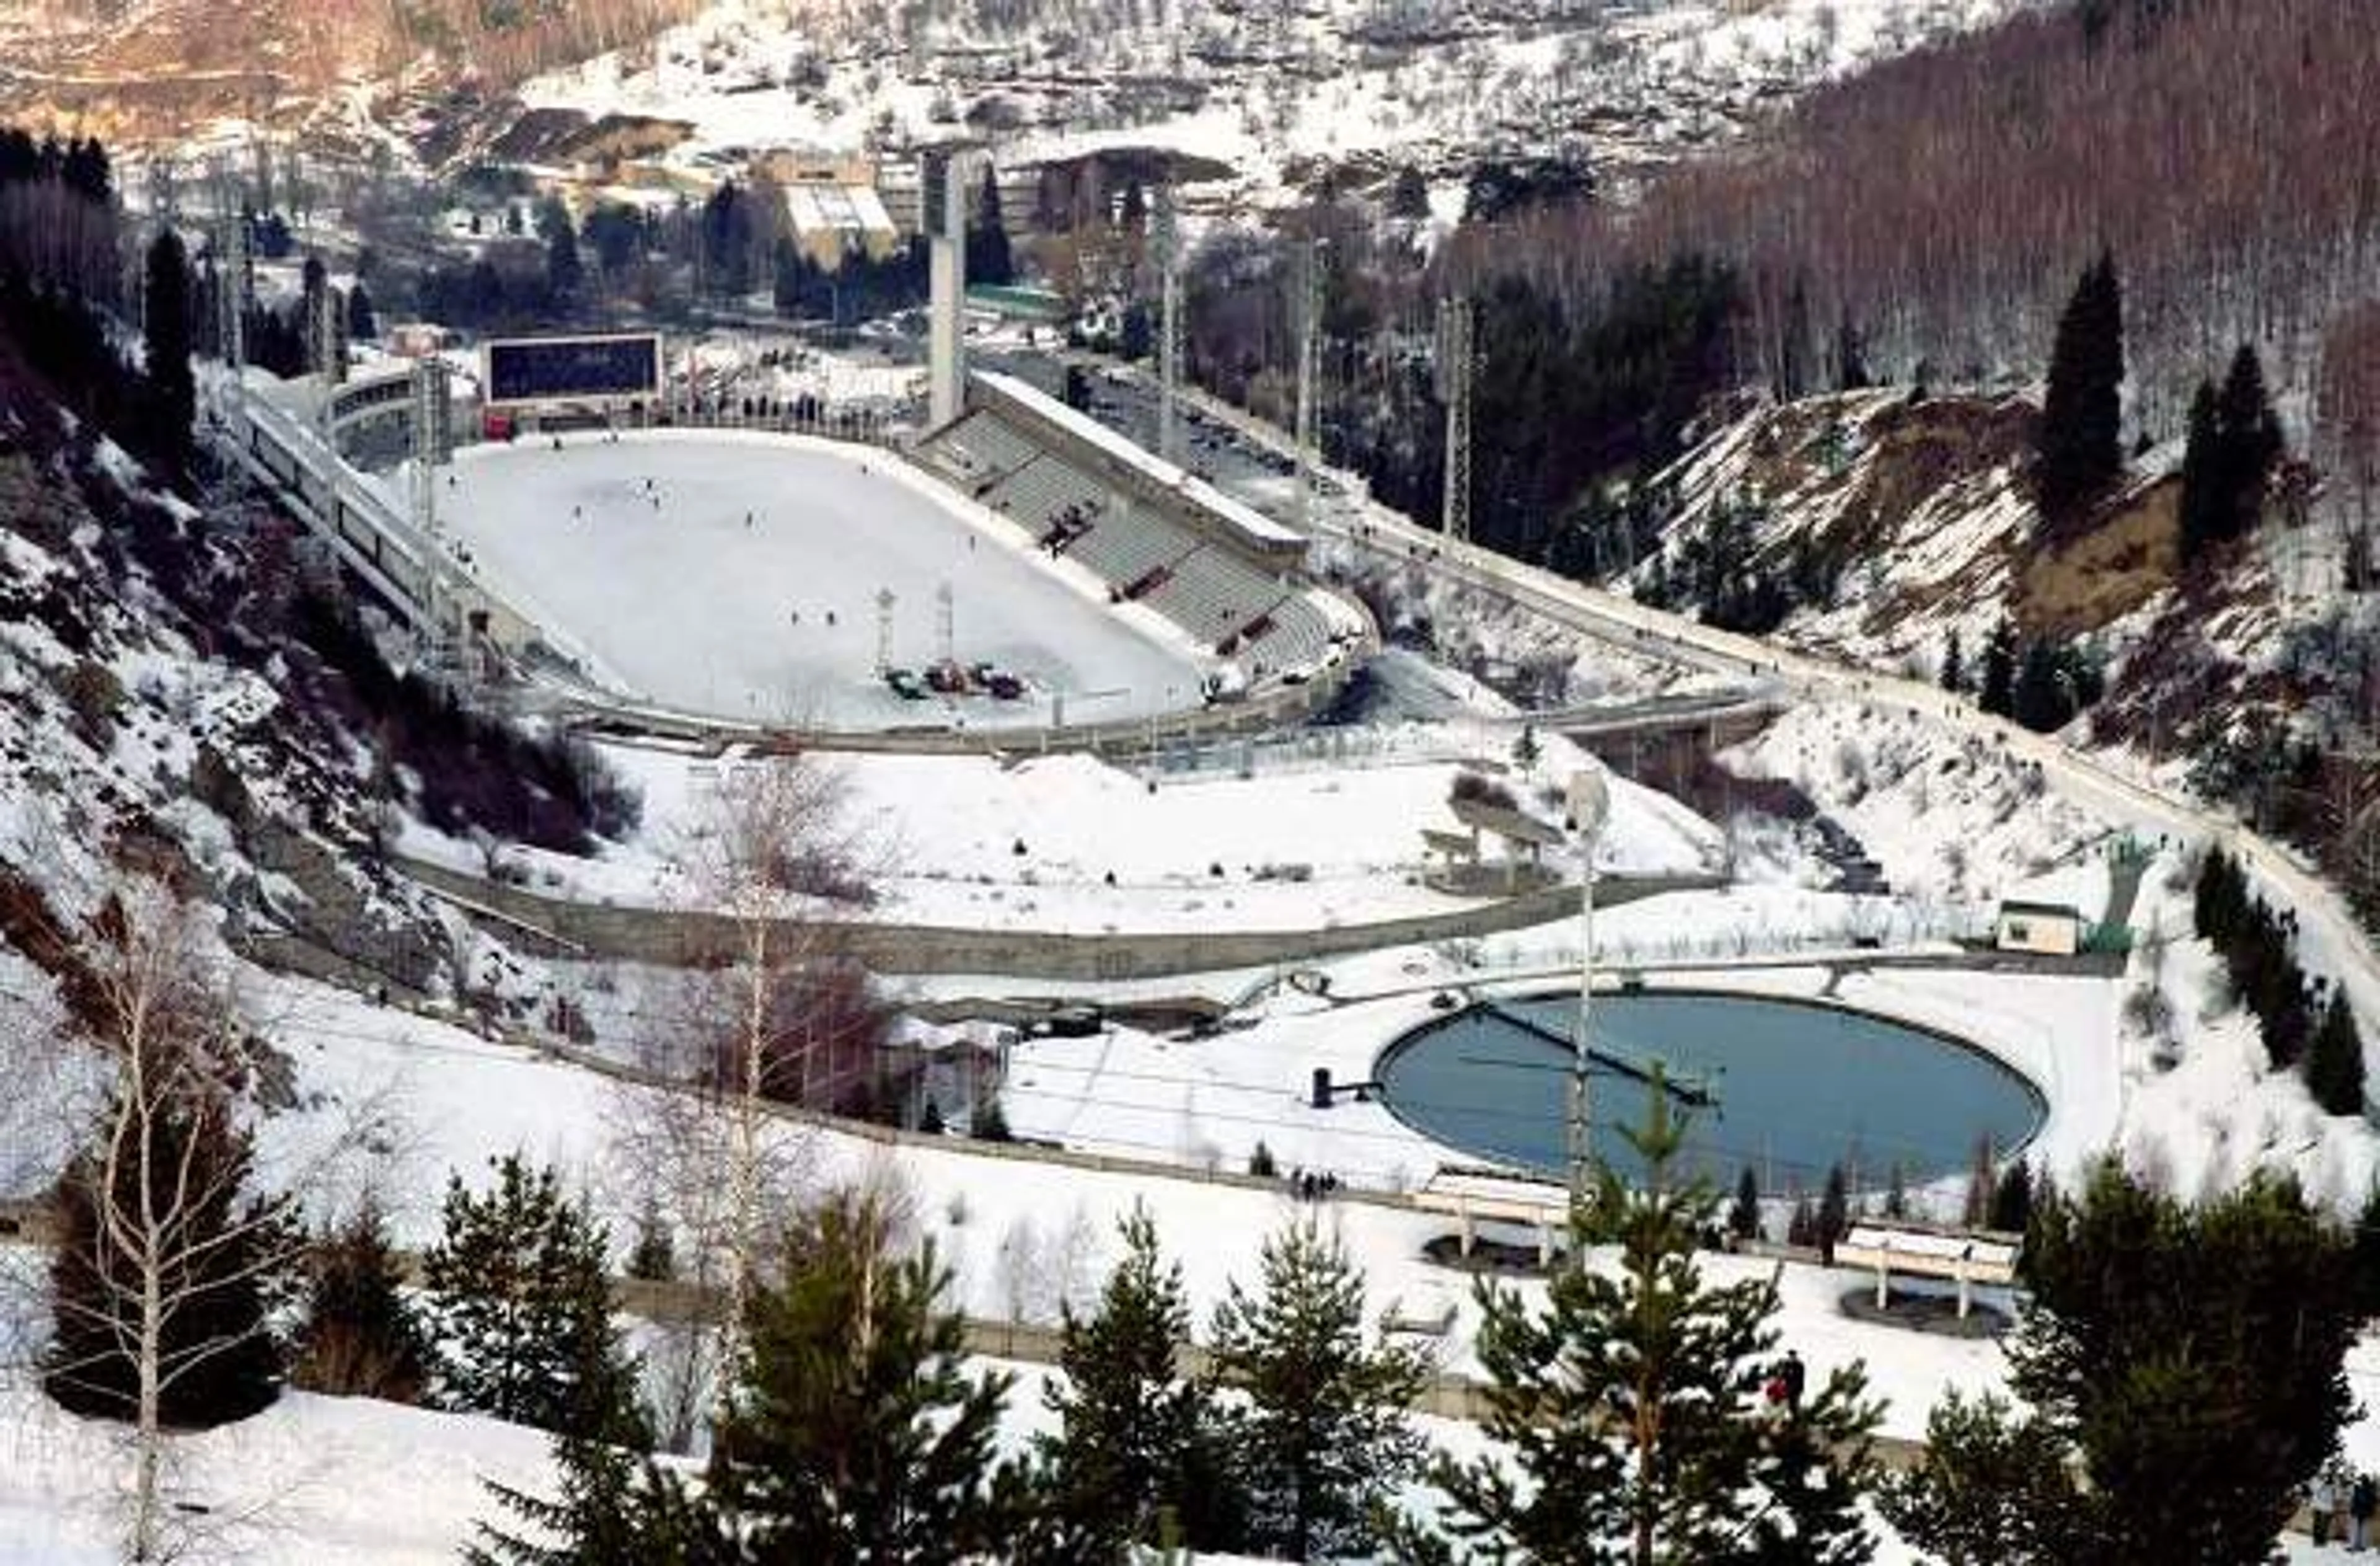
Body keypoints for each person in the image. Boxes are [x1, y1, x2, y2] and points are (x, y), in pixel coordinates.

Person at [2352, 1470, 2376, 1550]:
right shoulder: (2367, 1489)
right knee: (2361, 1529)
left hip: (2362, 1511)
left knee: (2360, 1529)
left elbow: (2356, 1500)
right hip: (2363, 1511)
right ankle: (2359, 1545)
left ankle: (2359, 1545)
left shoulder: (2364, 1489)